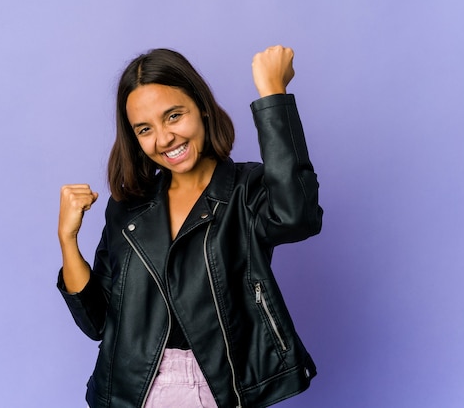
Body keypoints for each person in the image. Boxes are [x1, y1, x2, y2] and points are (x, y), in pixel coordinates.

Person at [57, 45, 323, 408]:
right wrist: (67, 239)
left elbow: (298, 217)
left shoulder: (247, 190)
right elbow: (98, 323)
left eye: (174, 116)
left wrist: (272, 92)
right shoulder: (129, 206)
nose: (164, 139)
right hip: (127, 391)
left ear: (201, 107)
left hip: (215, 385)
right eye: (144, 128)